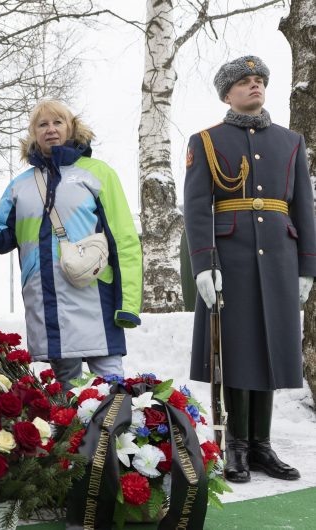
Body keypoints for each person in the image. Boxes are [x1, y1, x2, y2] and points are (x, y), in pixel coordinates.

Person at [184, 56, 316, 483]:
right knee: (237, 349)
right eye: (244, 82)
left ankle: (261, 446)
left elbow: (304, 208)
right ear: (227, 93)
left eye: (259, 80)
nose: (254, 86)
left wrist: (307, 268)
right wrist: (203, 264)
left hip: (279, 256)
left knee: (272, 349)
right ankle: (236, 446)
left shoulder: (291, 141)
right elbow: (197, 207)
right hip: (230, 258)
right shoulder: (205, 140)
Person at [0, 99, 142, 389]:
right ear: (33, 133)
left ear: (71, 127)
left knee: (111, 392)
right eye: (42, 124)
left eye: (58, 122)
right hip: (46, 303)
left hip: (97, 300)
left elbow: (124, 241)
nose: (51, 129)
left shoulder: (99, 173)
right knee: (66, 399)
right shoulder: (19, 186)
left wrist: (128, 304)